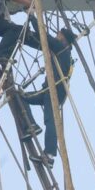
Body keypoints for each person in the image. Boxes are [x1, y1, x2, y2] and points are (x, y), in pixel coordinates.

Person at [21, 28, 76, 167]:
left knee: (50, 121)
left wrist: (33, 16)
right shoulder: (64, 52)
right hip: (51, 91)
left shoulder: (62, 47)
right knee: (22, 98)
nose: (57, 36)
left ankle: (49, 154)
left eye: (59, 34)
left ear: (63, 37)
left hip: (53, 90)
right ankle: (32, 125)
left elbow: (44, 36)